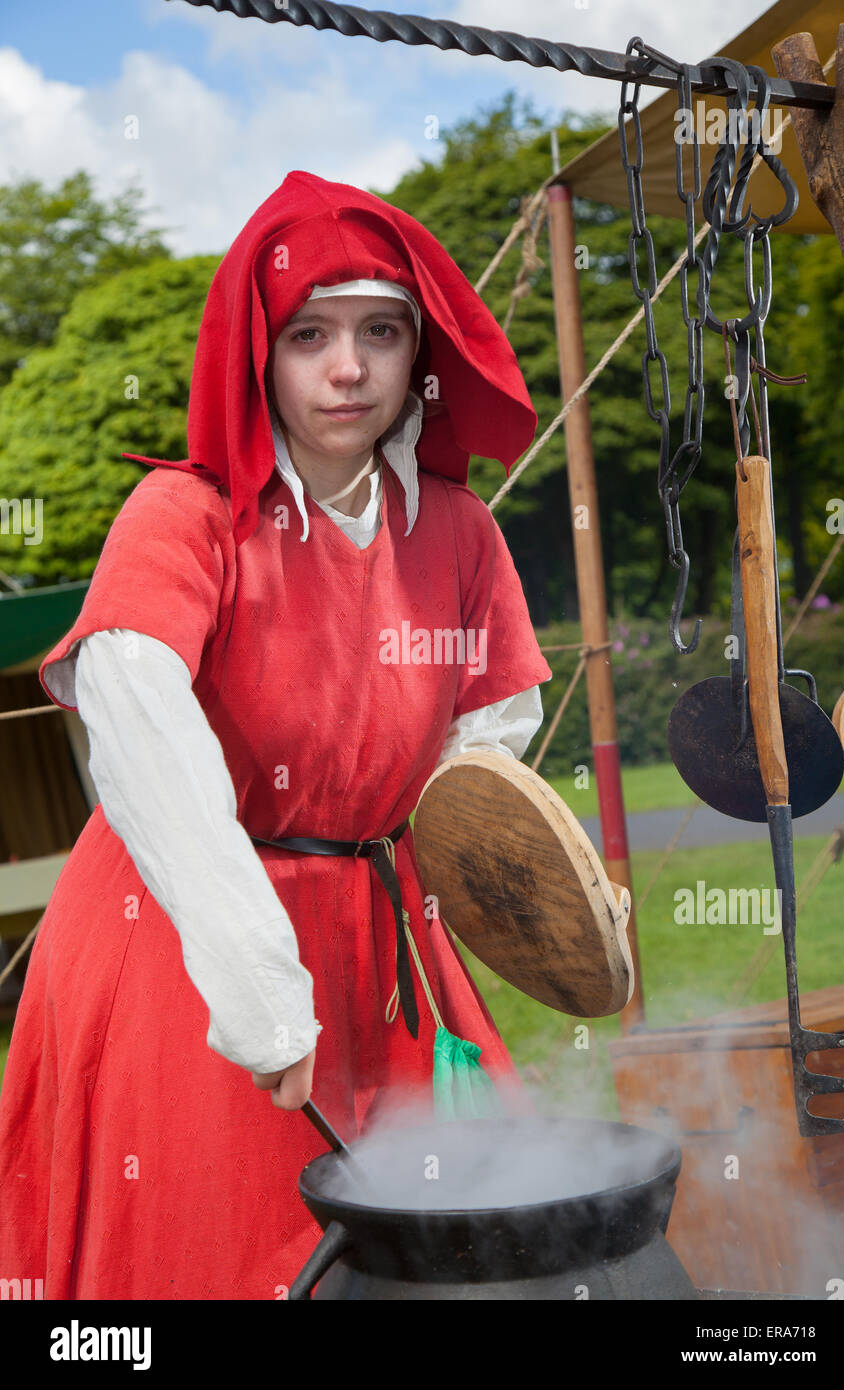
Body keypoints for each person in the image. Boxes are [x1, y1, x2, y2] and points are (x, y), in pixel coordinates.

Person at [0, 170, 553, 1300]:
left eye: (380, 332)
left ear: (418, 353)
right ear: (261, 348)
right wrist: (256, 985)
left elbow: (483, 754)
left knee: (463, 1248)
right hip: (182, 940)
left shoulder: (455, 531)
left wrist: (545, 893)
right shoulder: (186, 513)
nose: (347, 368)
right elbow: (137, 714)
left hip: (387, 945)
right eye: (310, 333)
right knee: (217, 1255)